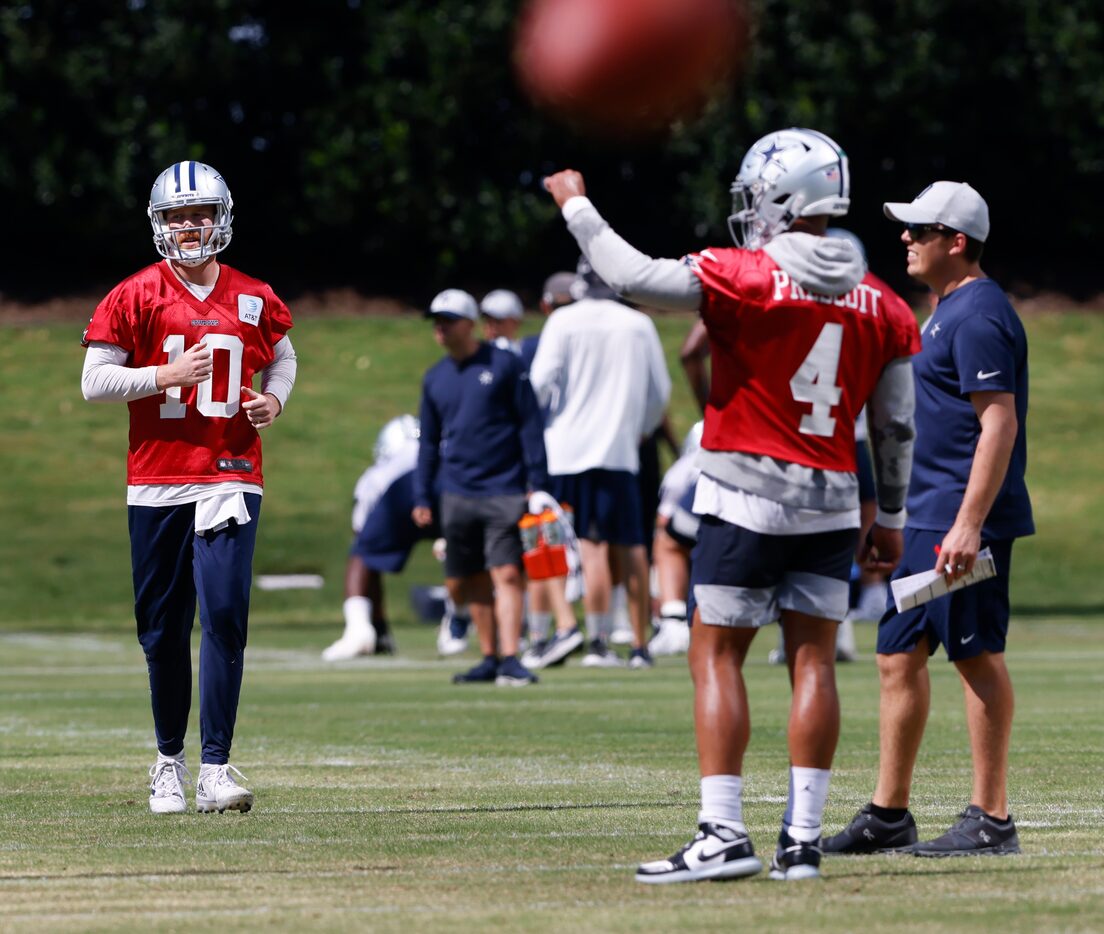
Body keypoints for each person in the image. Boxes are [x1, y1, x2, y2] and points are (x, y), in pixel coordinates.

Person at [544, 126, 920, 882]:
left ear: (784, 197)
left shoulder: (743, 274)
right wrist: (894, 517)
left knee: (717, 654)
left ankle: (722, 833)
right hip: (833, 502)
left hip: (745, 489)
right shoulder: (884, 303)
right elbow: (896, 424)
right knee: (813, 659)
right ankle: (803, 843)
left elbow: (635, 277)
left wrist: (577, 206)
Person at [80, 160, 297, 815]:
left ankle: (216, 769)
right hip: (157, 479)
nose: (190, 225)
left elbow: (283, 356)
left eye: (200, 213)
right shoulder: (135, 294)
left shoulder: (254, 294)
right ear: (160, 223)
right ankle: (168, 760)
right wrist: (163, 373)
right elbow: (94, 382)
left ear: (221, 217)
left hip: (230, 474)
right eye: (179, 215)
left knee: (226, 615)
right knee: (163, 631)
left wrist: (275, 402)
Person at [825, 181, 1033, 857]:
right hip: (925, 520)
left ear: (958, 241)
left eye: (920, 229)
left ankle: (992, 818)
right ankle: (890, 813)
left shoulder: (977, 314)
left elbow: (998, 422)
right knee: (894, 655)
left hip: (960, 522)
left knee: (976, 655)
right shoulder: (943, 312)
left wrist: (970, 525)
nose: (906, 239)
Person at [528, 259, 672, 670]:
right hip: (620, 451)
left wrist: (540, 428)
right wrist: (638, 430)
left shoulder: (564, 321)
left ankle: (596, 639)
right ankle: (641, 646)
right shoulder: (638, 324)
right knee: (632, 546)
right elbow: (659, 392)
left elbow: (540, 384)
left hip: (567, 451)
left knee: (585, 547)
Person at [413, 288, 548, 687]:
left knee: (506, 573)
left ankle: (510, 656)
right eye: (437, 322)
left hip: (505, 488)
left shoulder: (505, 364)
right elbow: (428, 443)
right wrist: (423, 495)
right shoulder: (435, 378)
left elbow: (530, 424)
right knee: (470, 579)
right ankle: (489, 657)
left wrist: (537, 482)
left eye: (448, 320)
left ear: (470, 324)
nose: (440, 328)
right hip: (457, 493)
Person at [321, 415, 471, 661]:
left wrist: (378, 625)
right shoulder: (447, 454)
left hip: (403, 491)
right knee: (467, 550)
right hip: (452, 484)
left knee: (361, 553)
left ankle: (359, 630)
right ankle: (459, 621)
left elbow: (365, 551)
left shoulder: (378, 474)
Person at [648, 420, 704, 657]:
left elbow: (665, 519)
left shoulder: (686, 465)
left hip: (713, 509)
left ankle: (673, 620)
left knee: (666, 543)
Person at [480, 289, 525, 354]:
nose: (492, 327)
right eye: (488, 320)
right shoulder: (475, 355)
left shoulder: (525, 355)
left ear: (516, 323)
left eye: (498, 321)